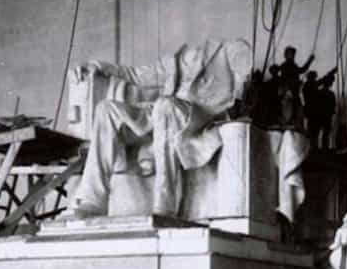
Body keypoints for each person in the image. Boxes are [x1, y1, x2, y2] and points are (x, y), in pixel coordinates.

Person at [71, 39, 251, 218]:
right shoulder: (172, 63)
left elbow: (241, 60)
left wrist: (238, 91)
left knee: (165, 107)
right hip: (160, 113)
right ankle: (93, 200)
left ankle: (165, 205)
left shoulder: (222, 52)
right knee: (106, 109)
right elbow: (134, 75)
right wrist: (99, 66)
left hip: (194, 116)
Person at [279, 46, 314, 127]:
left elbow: (301, 70)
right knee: (290, 107)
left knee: (298, 107)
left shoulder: (293, 65)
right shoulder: (285, 66)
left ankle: (295, 123)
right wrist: (287, 90)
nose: (292, 56)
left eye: (293, 54)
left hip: (294, 91)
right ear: (286, 55)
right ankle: (287, 122)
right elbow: (284, 79)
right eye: (290, 54)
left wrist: (309, 61)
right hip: (289, 92)